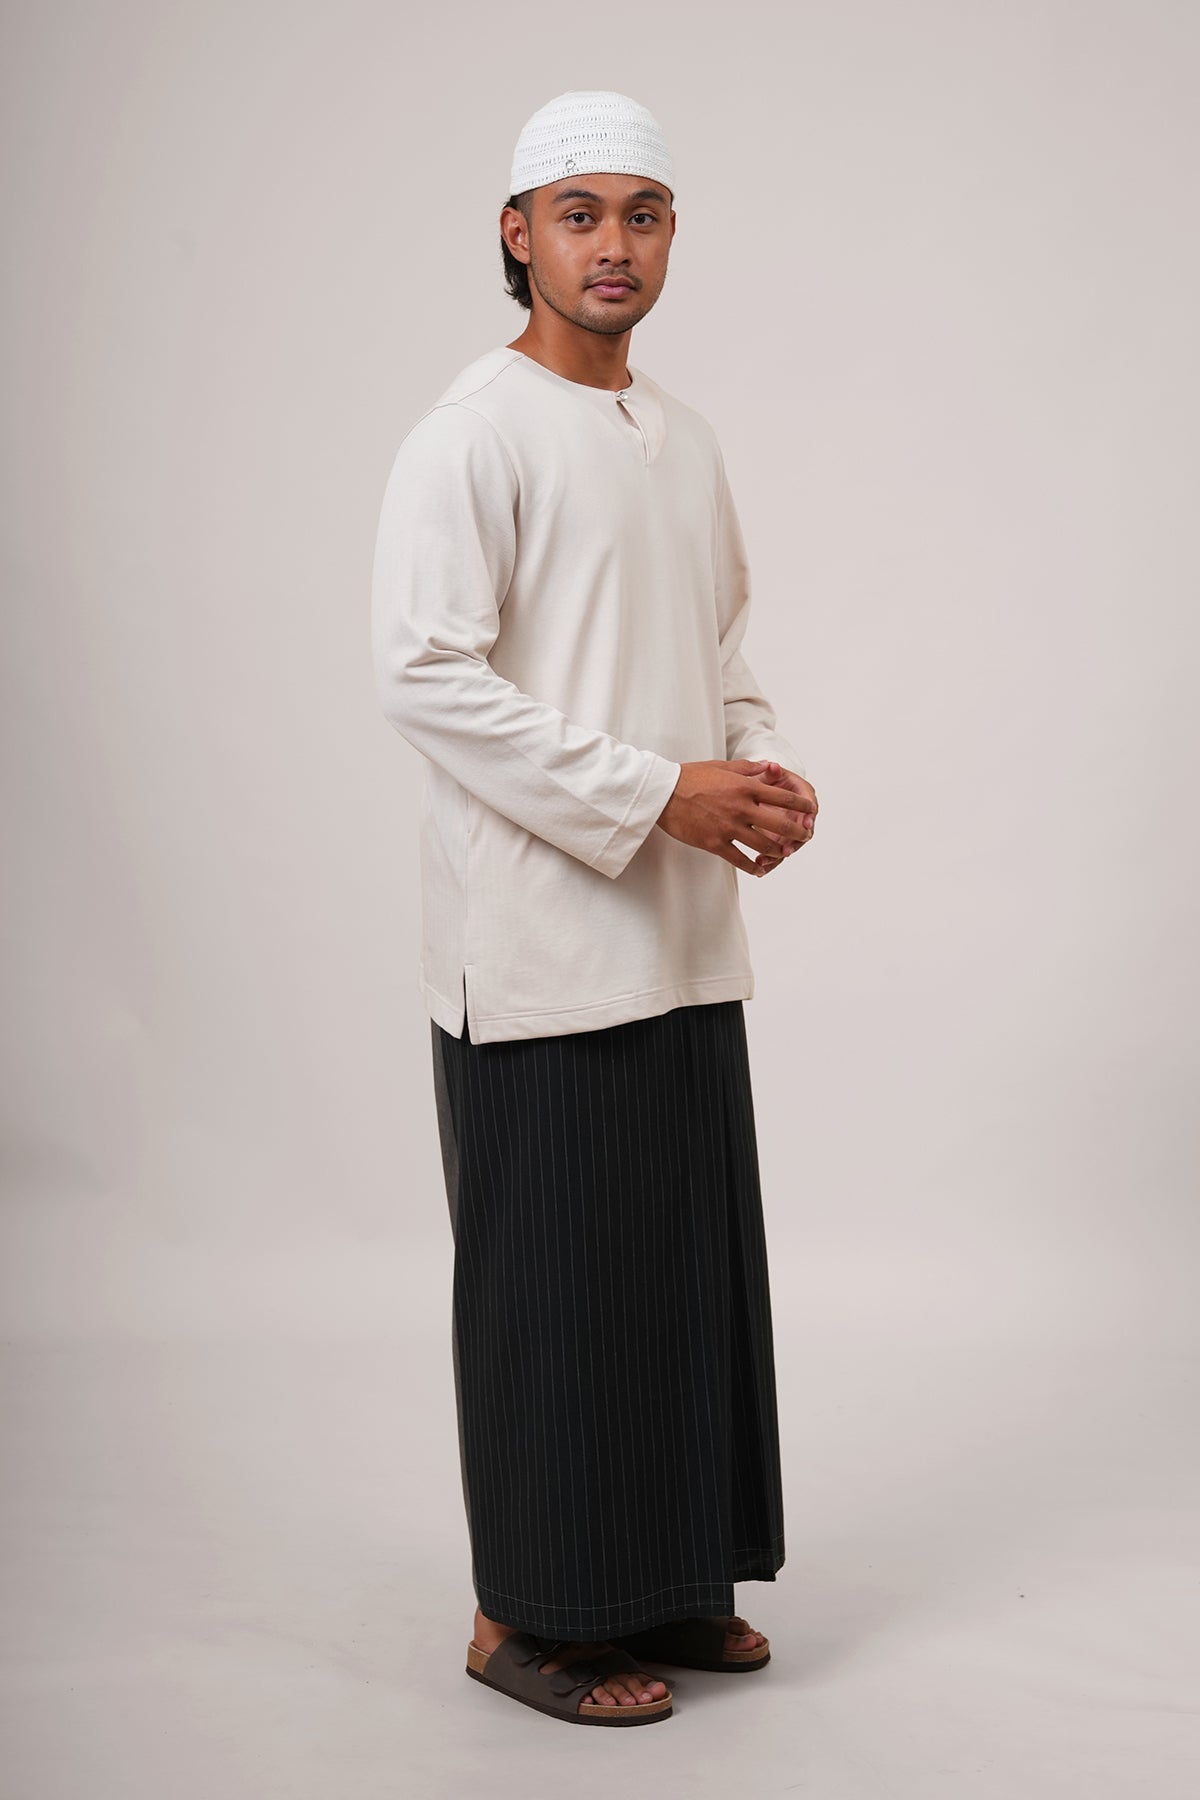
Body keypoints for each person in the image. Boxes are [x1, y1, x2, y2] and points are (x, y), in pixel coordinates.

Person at [370, 88, 818, 1728]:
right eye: (578, 215)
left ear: (672, 234)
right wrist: (654, 796)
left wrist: (748, 777)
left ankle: (667, 1580)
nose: (611, 245)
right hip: (540, 948)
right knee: (554, 1293)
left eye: (642, 213)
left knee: (678, 1275)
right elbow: (424, 677)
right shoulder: (471, 433)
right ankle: (526, 1620)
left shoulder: (680, 438)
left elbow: (721, 646)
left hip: (680, 936)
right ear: (519, 235)